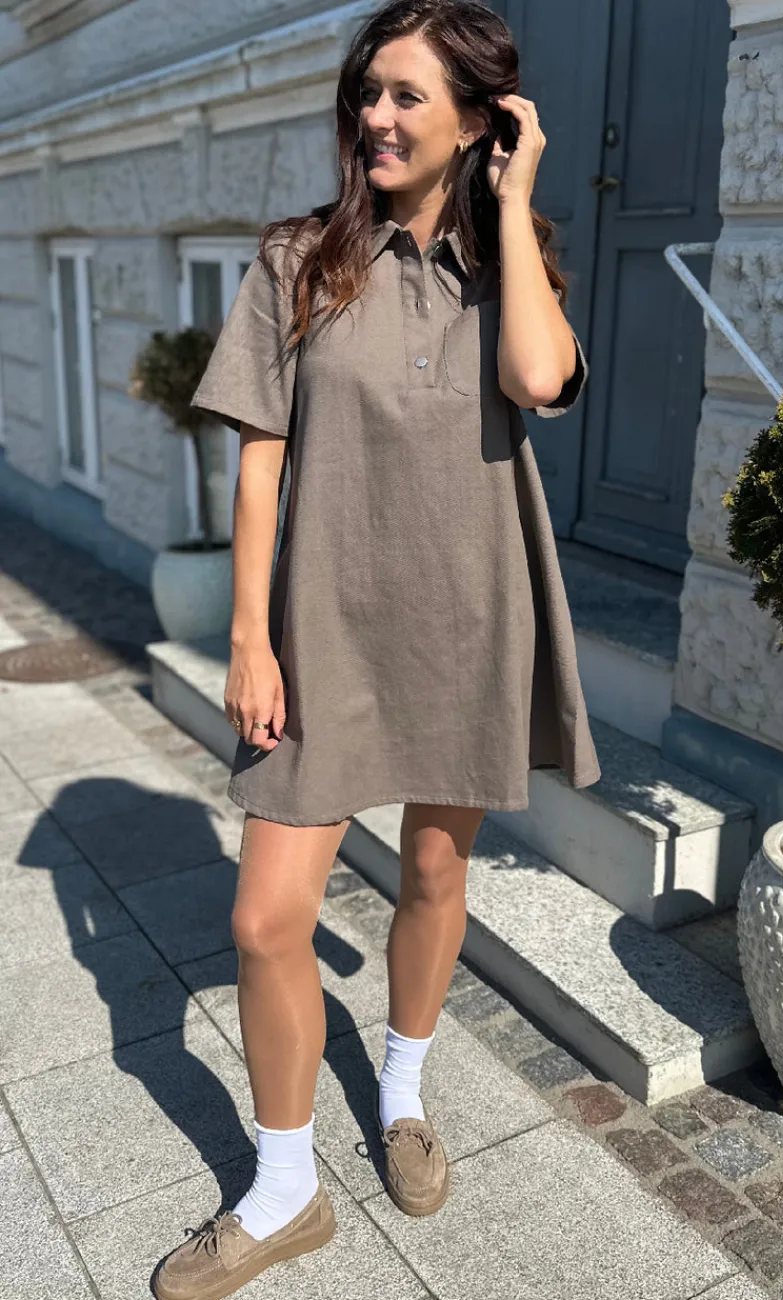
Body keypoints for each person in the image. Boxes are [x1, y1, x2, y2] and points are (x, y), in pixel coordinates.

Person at [153, 1, 600, 1296]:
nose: (377, 117)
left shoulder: (512, 263)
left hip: (466, 615)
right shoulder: (298, 258)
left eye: (409, 96)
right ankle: (285, 1188)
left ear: (478, 118)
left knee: (434, 876)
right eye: (370, 92)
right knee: (263, 918)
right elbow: (260, 462)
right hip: (323, 626)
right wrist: (250, 635)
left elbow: (539, 379)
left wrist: (514, 200)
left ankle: (402, 1093)